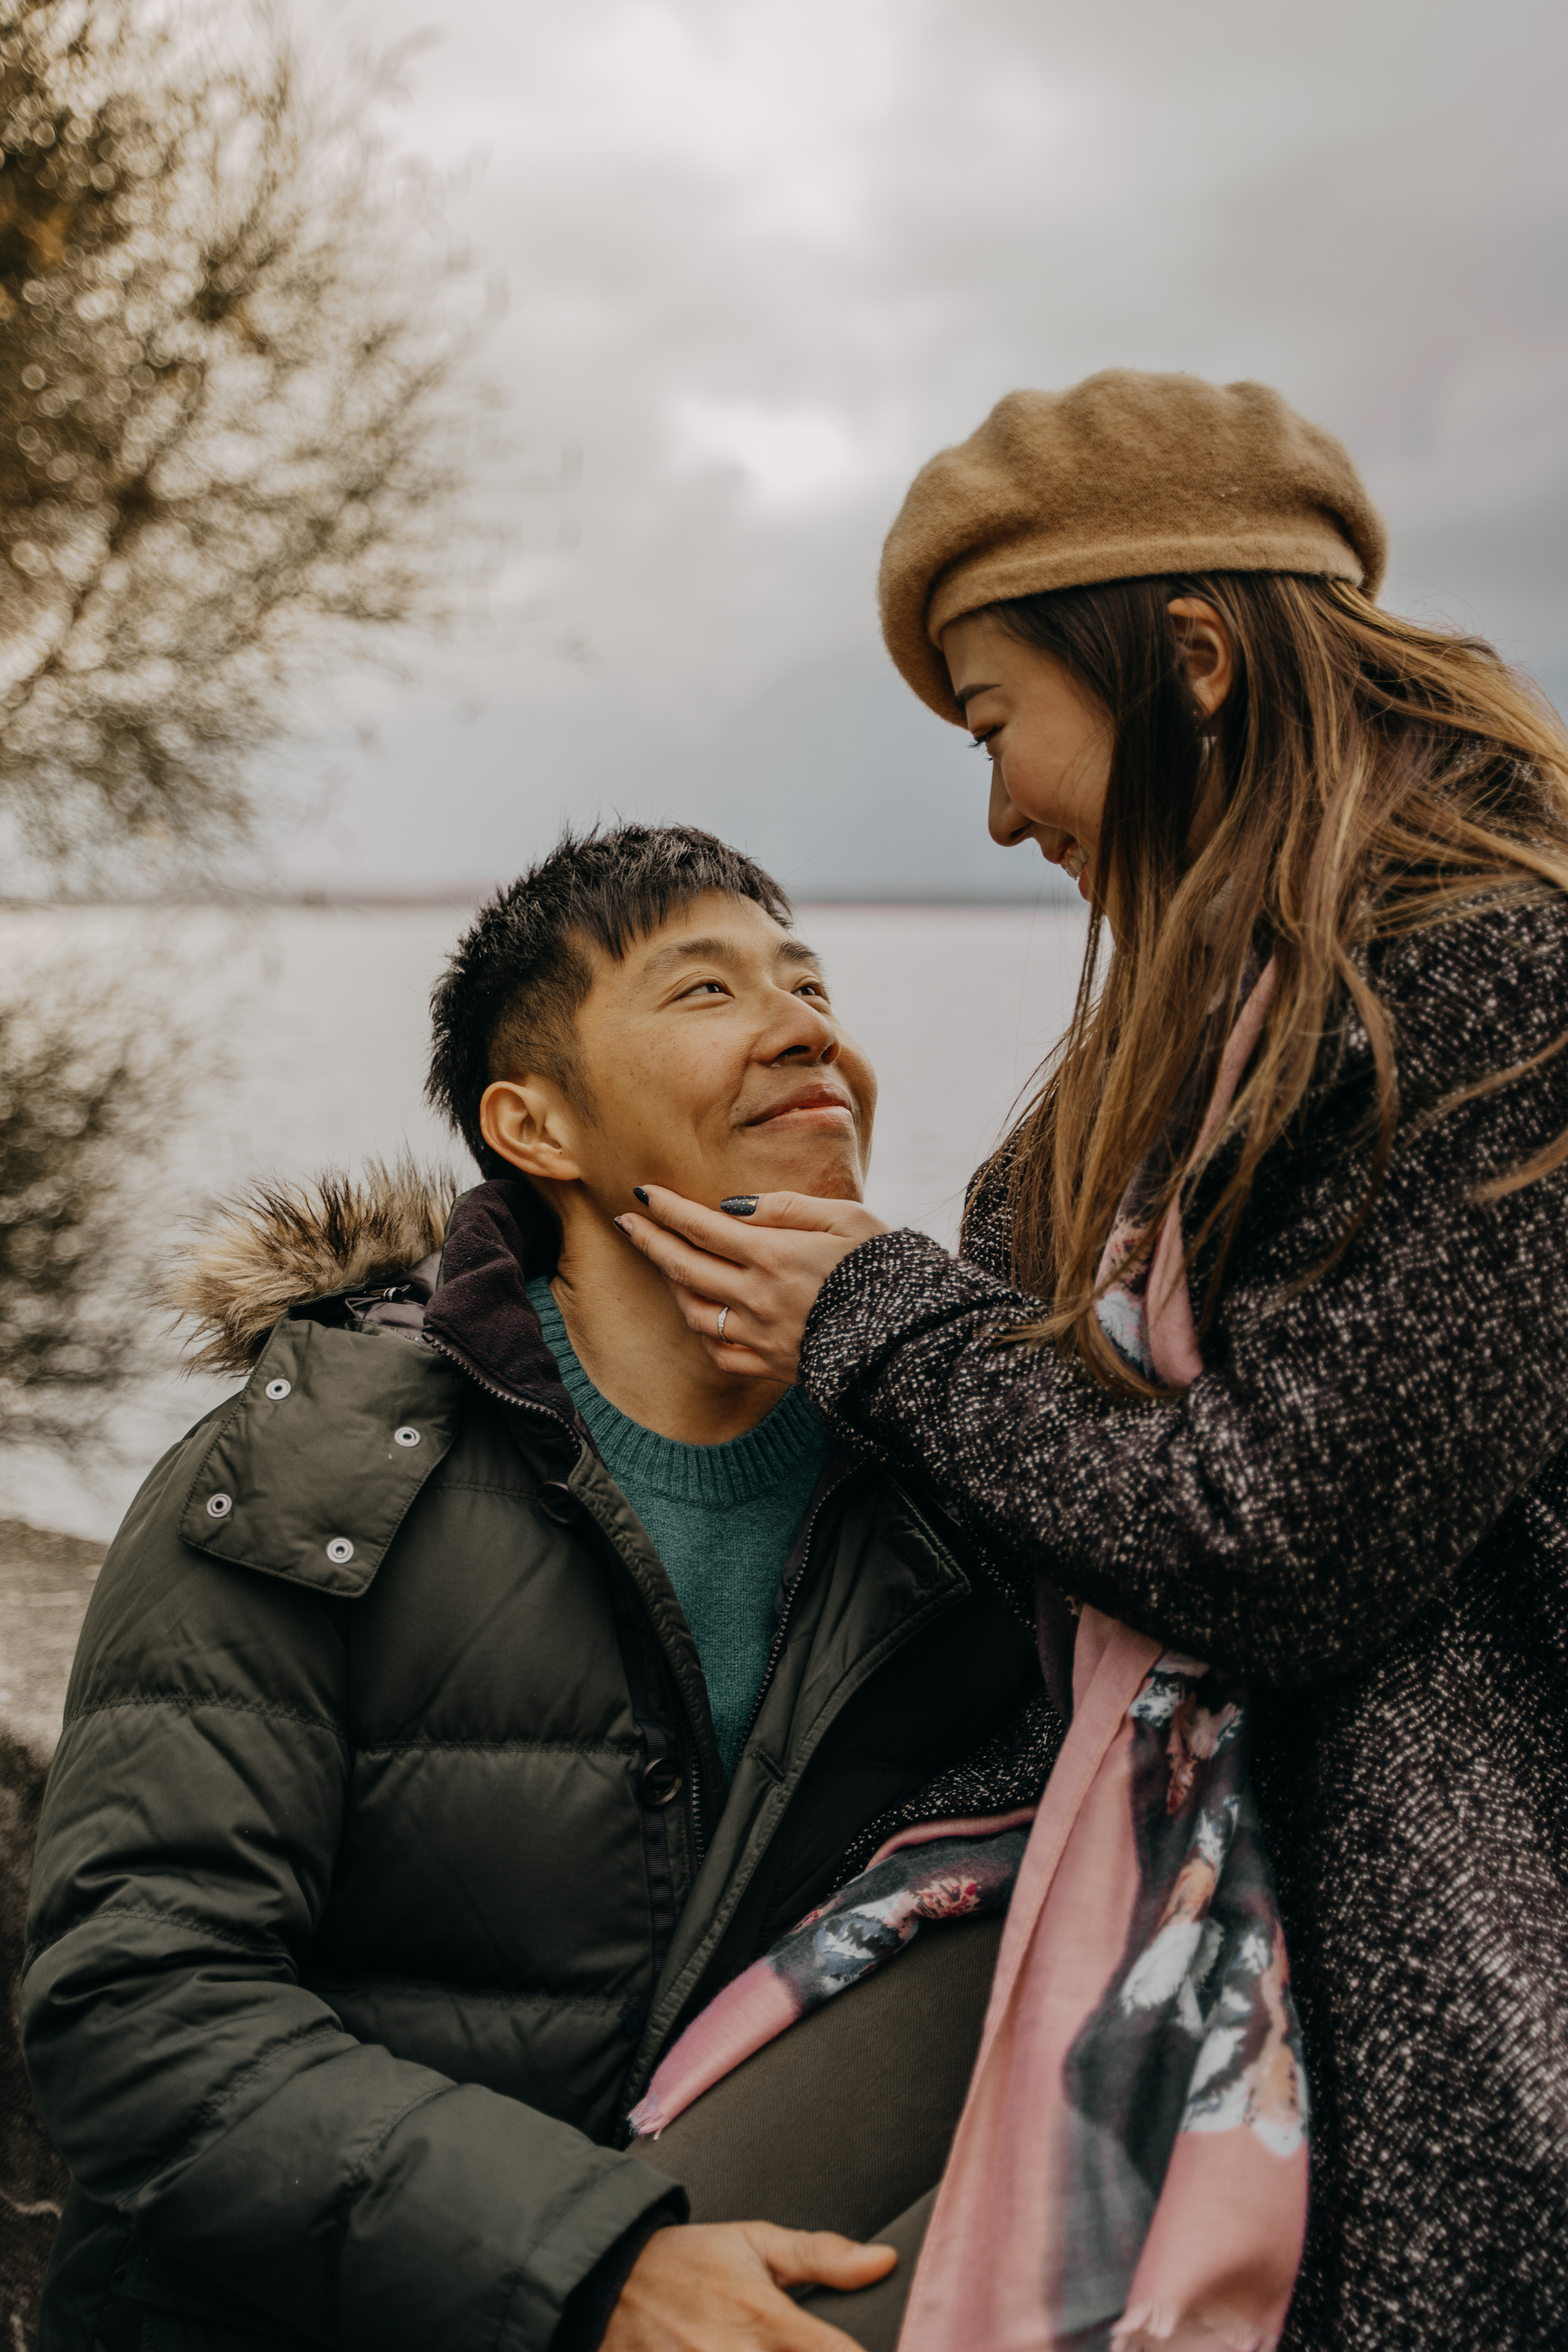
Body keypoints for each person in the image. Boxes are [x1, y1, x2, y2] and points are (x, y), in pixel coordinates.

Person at [619, 372, 1568, 2349]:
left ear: (1194, 660)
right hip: (1067, 1840)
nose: (999, 807)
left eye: (997, 723)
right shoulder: (1162, 1042)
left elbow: (1284, 1541)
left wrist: (874, 1312)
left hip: (1378, 1934)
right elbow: (1013, 1463)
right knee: (628, 2251)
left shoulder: (1511, 982)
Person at [20, 825, 1049, 2352]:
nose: (806, 1028)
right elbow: (139, 2005)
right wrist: (593, 2268)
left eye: (810, 983)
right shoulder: (308, 1473)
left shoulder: (962, 1503)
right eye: (706, 991)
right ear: (537, 1124)